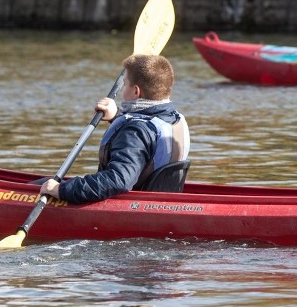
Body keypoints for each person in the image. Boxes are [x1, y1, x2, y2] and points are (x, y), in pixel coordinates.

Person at [39, 54, 190, 204]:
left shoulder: (135, 131)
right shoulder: (175, 118)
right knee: (44, 182)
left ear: (136, 91)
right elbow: (147, 140)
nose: (123, 89)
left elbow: (118, 180)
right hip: (160, 202)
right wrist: (116, 116)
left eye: (125, 84)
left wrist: (62, 190)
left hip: (134, 207)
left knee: (41, 186)